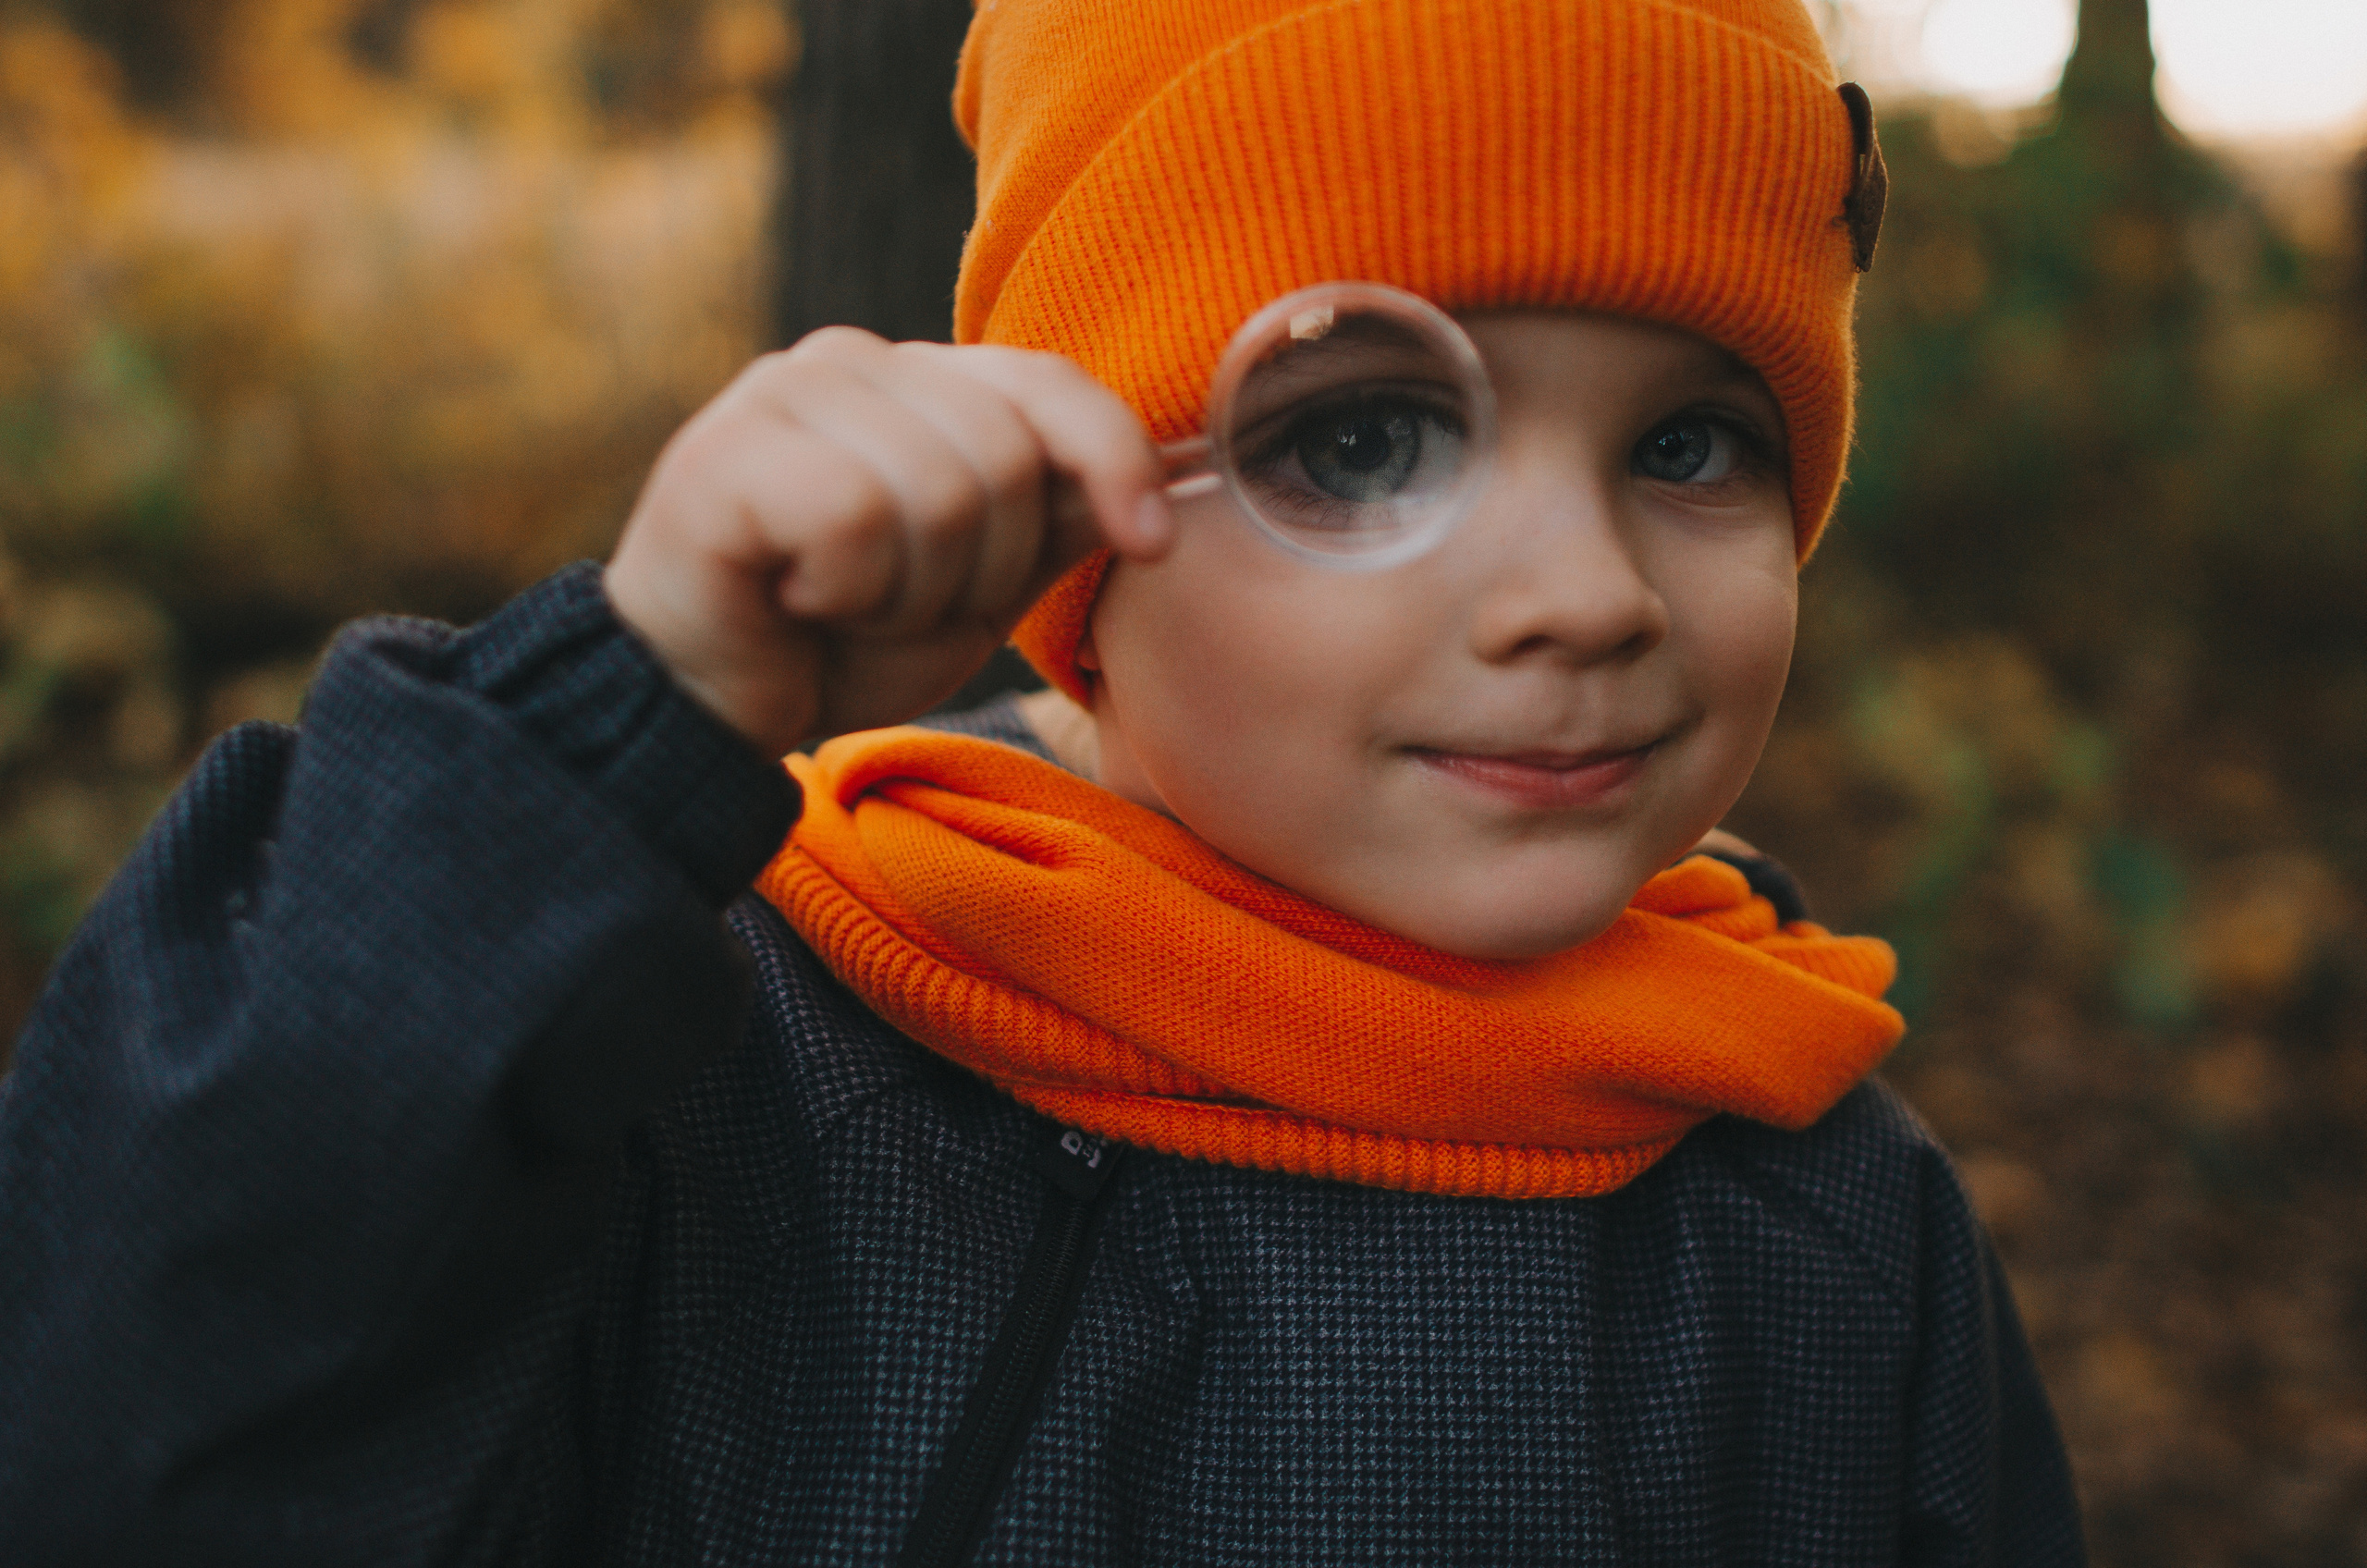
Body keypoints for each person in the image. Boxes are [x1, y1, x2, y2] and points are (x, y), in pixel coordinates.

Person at [0, 0, 2086, 1561]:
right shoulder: (707, 1079)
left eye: (1689, 444)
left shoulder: (1822, 1214)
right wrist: (602, 737)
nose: (1586, 596)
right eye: (1362, 441)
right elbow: (129, 1435)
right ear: (1082, 504)